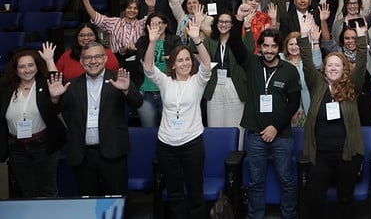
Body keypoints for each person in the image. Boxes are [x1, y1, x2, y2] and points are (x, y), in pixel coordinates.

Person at [229, 4, 301, 219]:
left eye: (273, 47)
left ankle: (289, 215)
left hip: (282, 135)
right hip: (255, 134)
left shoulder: (289, 70)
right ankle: (255, 216)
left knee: (287, 180)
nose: (269, 50)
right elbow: (234, 43)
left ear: (279, 48)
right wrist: (239, 19)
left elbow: (294, 102)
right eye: (265, 46)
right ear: (259, 47)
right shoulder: (251, 63)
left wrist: (275, 127)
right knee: (256, 181)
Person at [48, 41, 143, 197]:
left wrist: (127, 91)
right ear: (81, 61)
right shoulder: (71, 85)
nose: (93, 61)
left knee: (117, 199)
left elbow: (138, 103)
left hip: (113, 152)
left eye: (98, 56)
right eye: (88, 58)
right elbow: (53, 113)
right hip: (82, 155)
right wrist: (54, 99)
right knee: (87, 201)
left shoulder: (119, 79)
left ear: (105, 59)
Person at [144, 13, 212, 219]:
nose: (185, 63)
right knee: (174, 194)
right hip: (166, 145)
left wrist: (196, 39)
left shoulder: (197, 81)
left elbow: (207, 65)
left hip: (192, 143)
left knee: (195, 193)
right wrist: (152, 42)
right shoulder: (165, 81)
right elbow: (148, 67)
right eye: (180, 60)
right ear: (172, 64)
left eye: (187, 60)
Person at [299, 15, 367, 218]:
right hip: (320, 155)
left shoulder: (351, 87)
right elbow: (306, 62)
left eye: (338, 65)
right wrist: (304, 36)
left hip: (347, 156)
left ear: (344, 68)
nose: (334, 68)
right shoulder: (317, 85)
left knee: (345, 199)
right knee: (315, 200)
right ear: (325, 69)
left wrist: (362, 38)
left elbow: (362, 65)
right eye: (330, 65)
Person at [0, 46, 66, 197]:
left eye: (30, 65)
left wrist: (49, 60)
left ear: (37, 66)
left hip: (43, 144)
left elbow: (57, 84)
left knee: (48, 190)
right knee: (28, 191)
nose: (27, 70)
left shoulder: (45, 84)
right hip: (16, 148)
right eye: (22, 66)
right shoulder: (6, 87)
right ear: (15, 70)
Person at [202, 12, 246, 138]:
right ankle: (217, 154)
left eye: (227, 22)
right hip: (215, 85)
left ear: (232, 25)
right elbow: (197, 51)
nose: (223, 24)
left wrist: (247, 29)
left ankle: (236, 155)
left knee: (236, 125)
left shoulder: (238, 40)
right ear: (216, 24)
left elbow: (250, 49)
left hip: (234, 84)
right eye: (221, 21)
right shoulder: (210, 41)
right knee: (214, 125)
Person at [54, 23, 120, 81]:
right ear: (77, 38)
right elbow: (56, 78)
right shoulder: (66, 56)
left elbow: (115, 76)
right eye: (81, 35)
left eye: (90, 35)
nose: (86, 38)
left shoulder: (107, 53)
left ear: (95, 37)